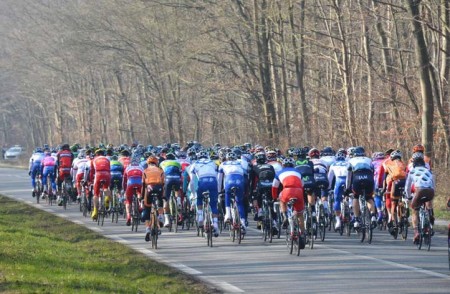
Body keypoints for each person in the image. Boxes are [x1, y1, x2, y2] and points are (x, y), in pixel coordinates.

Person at [271, 157, 306, 248]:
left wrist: (275, 198)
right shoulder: (298, 172)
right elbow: (302, 185)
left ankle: (285, 215)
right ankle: (302, 234)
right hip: (298, 191)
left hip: (287, 191)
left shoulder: (279, 173)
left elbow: (274, 187)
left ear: (283, 165)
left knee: (282, 200)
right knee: (300, 214)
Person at [404, 152, 435, 244]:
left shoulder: (412, 171)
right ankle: (430, 218)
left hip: (419, 191)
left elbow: (407, 187)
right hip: (430, 191)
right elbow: (433, 185)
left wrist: (409, 197)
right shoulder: (429, 171)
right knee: (428, 204)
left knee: (414, 210)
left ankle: (416, 233)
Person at [345, 146, 377, 229]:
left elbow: (349, 176)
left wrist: (348, 188)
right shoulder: (369, 160)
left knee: (355, 197)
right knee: (369, 197)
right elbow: (373, 172)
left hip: (357, 178)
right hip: (369, 178)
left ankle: (356, 220)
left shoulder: (351, 160)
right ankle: (373, 215)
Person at [190, 150, 220, 237]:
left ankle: (200, 217)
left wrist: (194, 194)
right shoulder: (212, 163)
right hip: (213, 182)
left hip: (202, 182)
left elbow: (192, 182)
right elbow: (217, 177)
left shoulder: (195, 164)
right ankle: (215, 225)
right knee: (214, 205)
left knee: (199, 198)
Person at [218, 152, 247, 234]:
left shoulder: (223, 164)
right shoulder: (241, 162)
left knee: (227, 194)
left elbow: (219, 179)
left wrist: (219, 191)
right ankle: (243, 223)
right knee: (240, 202)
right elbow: (246, 175)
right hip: (240, 181)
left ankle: (228, 215)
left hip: (229, 181)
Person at [383, 150, 407, 236]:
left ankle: (395, 224)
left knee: (393, 203)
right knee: (403, 198)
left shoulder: (388, 164)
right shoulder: (404, 164)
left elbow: (384, 178)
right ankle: (404, 212)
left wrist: (383, 189)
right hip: (405, 182)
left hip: (395, 183)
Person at [250, 151, 276, 231]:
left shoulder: (255, 167)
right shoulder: (270, 166)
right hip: (271, 185)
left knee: (258, 195)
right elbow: (275, 178)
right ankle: (275, 223)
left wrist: (252, 192)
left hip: (261, 185)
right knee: (271, 204)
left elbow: (253, 181)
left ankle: (260, 210)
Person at [142, 155, 165, 241]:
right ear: (156, 163)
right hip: (159, 188)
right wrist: (164, 196)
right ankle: (160, 217)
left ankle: (148, 229)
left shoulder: (145, 171)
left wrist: (141, 197)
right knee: (160, 202)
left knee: (147, 209)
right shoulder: (160, 170)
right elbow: (163, 184)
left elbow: (143, 186)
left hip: (149, 188)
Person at [123, 149, 145, 226]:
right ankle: (141, 205)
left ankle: (128, 216)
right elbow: (144, 179)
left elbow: (124, 180)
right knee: (140, 194)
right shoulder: (141, 167)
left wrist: (124, 189)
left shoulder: (128, 167)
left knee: (128, 201)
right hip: (139, 182)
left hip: (130, 182)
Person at [327, 150, 348, 230]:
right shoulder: (348, 163)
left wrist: (328, 188)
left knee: (337, 200)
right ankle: (350, 210)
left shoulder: (333, 164)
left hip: (339, 180)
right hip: (347, 180)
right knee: (352, 196)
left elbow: (330, 178)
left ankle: (338, 220)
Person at [160, 152, 182, 227]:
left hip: (168, 179)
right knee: (177, 190)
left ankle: (167, 220)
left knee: (165, 199)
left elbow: (161, 175)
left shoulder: (162, 163)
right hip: (177, 179)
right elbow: (180, 173)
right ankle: (178, 200)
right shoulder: (177, 162)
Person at [88, 149, 111, 220]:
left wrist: (91, 180)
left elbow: (92, 172)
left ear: (96, 154)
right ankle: (107, 198)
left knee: (96, 194)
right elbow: (109, 169)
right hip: (107, 174)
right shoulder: (107, 159)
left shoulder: (93, 160)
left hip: (98, 174)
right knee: (106, 188)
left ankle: (95, 211)